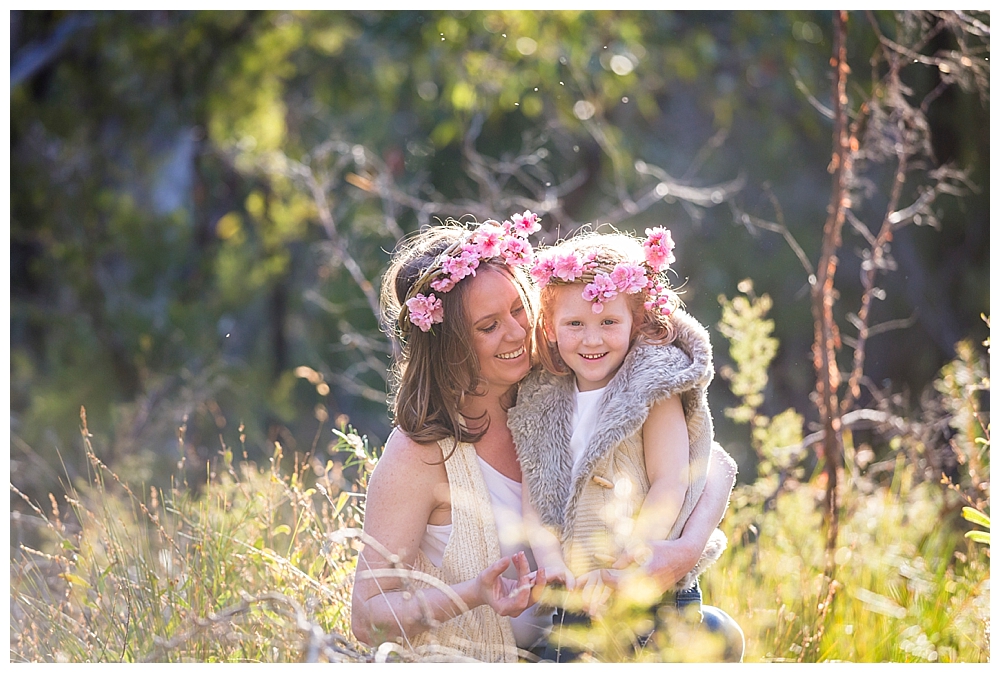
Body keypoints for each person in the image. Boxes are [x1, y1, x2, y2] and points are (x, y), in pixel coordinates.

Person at [350, 213, 741, 662]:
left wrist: (681, 553)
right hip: (500, 658)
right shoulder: (418, 454)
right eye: (488, 325)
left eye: (519, 309)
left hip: (603, 630)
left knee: (717, 634)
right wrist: (472, 593)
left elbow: (712, 463)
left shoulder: (555, 385)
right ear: (451, 341)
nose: (517, 332)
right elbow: (366, 618)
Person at [508, 228, 743, 662]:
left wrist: (635, 558)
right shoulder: (543, 399)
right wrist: (551, 561)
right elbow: (535, 493)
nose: (592, 339)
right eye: (575, 324)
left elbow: (669, 482)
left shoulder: (652, 392)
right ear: (550, 327)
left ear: (636, 321)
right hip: (579, 593)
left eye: (609, 322)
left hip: (652, 592)